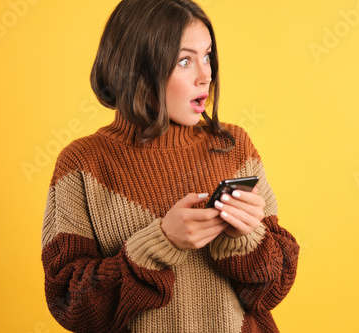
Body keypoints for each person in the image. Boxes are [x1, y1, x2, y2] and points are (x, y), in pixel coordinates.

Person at [41, 0, 300, 332]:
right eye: (184, 60)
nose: (205, 76)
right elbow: (69, 304)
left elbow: (272, 291)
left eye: (207, 56)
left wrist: (244, 239)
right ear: (136, 68)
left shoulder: (234, 146)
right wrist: (160, 242)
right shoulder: (82, 164)